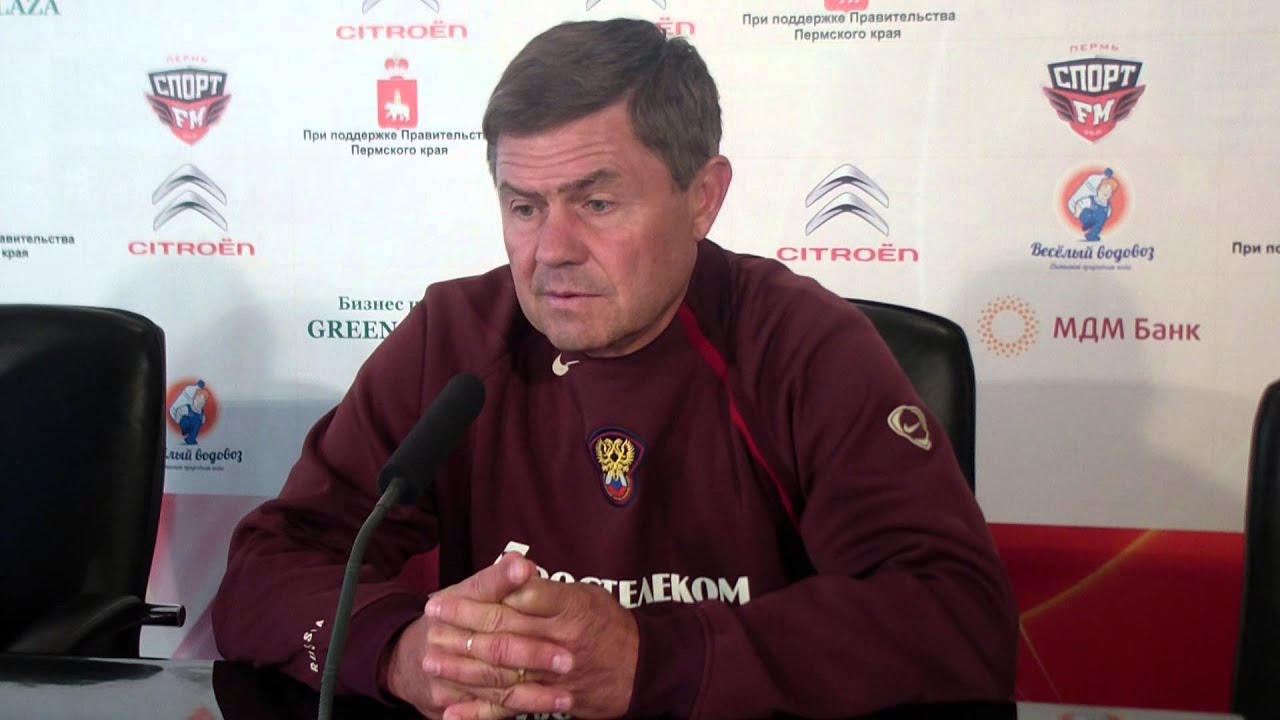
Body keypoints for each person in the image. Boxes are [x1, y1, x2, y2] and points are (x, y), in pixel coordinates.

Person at [212, 18, 1018, 720]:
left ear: (703, 198)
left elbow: (958, 617)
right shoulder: (455, 339)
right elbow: (266, 573)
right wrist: (398, 650)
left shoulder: (801, 343)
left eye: (597, 204)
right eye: (524, 207)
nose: (551, 251)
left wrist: (653, 661)